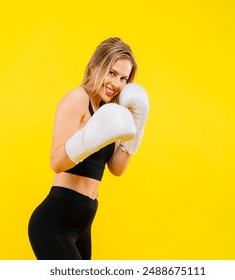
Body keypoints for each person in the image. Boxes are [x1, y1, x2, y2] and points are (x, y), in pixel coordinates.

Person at [28, 37, 149, 260]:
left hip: (84, 222)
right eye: (112, 73)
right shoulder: (77, 98)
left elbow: (117, 169)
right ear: (95, 66)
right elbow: (56, 163)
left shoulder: (110, 111)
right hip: (55, 222)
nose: (117, 83)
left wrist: (137, 125)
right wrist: (87, 138)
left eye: (123, 78)